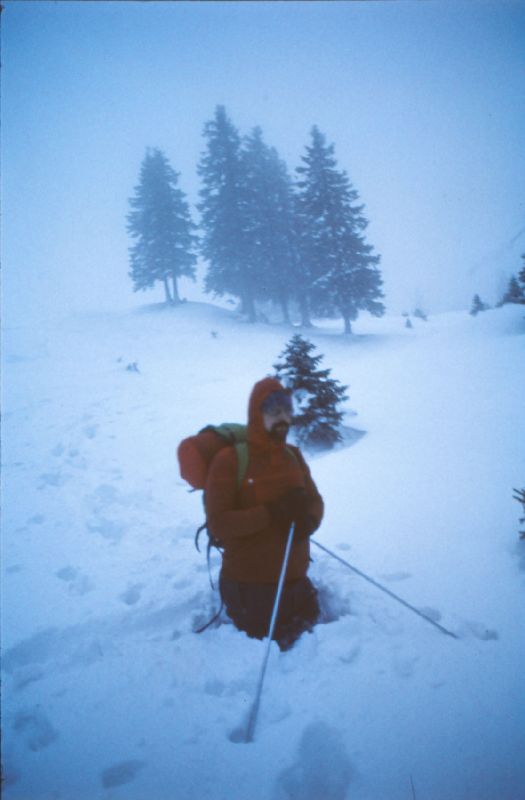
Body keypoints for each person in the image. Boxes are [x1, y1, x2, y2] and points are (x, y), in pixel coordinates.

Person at [205, 377, 324, 649]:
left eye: (287, 411)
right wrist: (270, 513)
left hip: (296, 583)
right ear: (257, 415)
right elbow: (219, 524)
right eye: (274, 412)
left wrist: (309, 521)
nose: (283, 418)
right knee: (275, 646)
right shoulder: (231, 461)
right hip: (250, 588)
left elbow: (316, 501)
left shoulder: (293, 456)